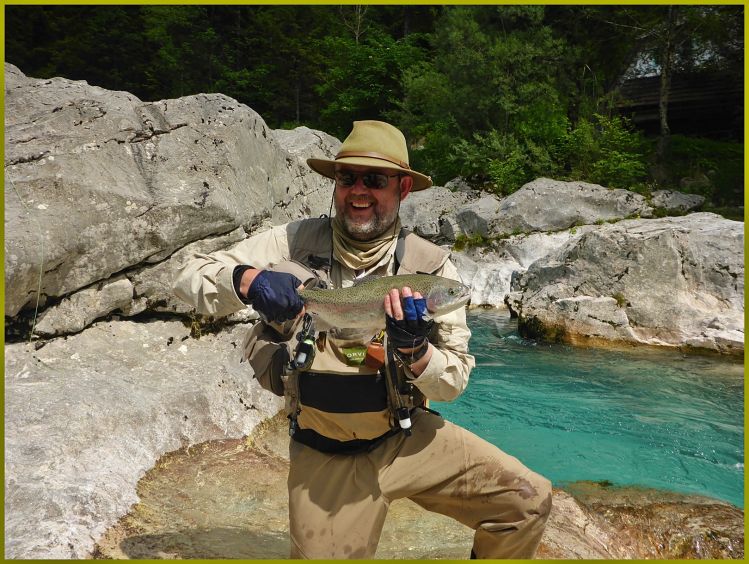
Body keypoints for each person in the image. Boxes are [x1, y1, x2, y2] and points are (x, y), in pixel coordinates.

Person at [173, 120, 552, 559]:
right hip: (325, 449)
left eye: (374, 180)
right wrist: (246, 279)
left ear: (403, 188)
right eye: (346, 178)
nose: (358, 191)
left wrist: (417, 351)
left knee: (527, 500)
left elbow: (453, 383)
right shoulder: (292, 242)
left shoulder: (432, 270)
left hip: (406, 437)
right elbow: (187, 276)